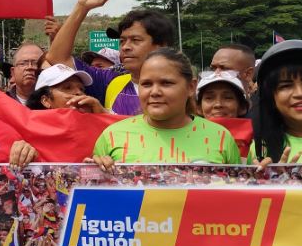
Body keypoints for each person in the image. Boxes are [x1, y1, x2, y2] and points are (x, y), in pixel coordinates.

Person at [91, 48, 241, 166]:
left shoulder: (221, 137)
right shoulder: (112, 136)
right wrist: (95, 174)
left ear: (191, 87)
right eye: (146, 84)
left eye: (166, 83)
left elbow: (237, 198)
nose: (155, 92)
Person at [47, 0, 176, 115]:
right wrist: (82, 6)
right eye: (122, 41)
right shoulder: (111, 82)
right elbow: (57, 57)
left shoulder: (182, 87)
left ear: (162, 46)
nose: (125, 47)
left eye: (136, 40)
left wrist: (106, 115)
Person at [26, 63, 106, 113]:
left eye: (82, 89)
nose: (79, 92)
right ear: (46, 101)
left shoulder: (93, 125)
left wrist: (102, 115)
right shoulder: (30, 134)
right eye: (67, 88)